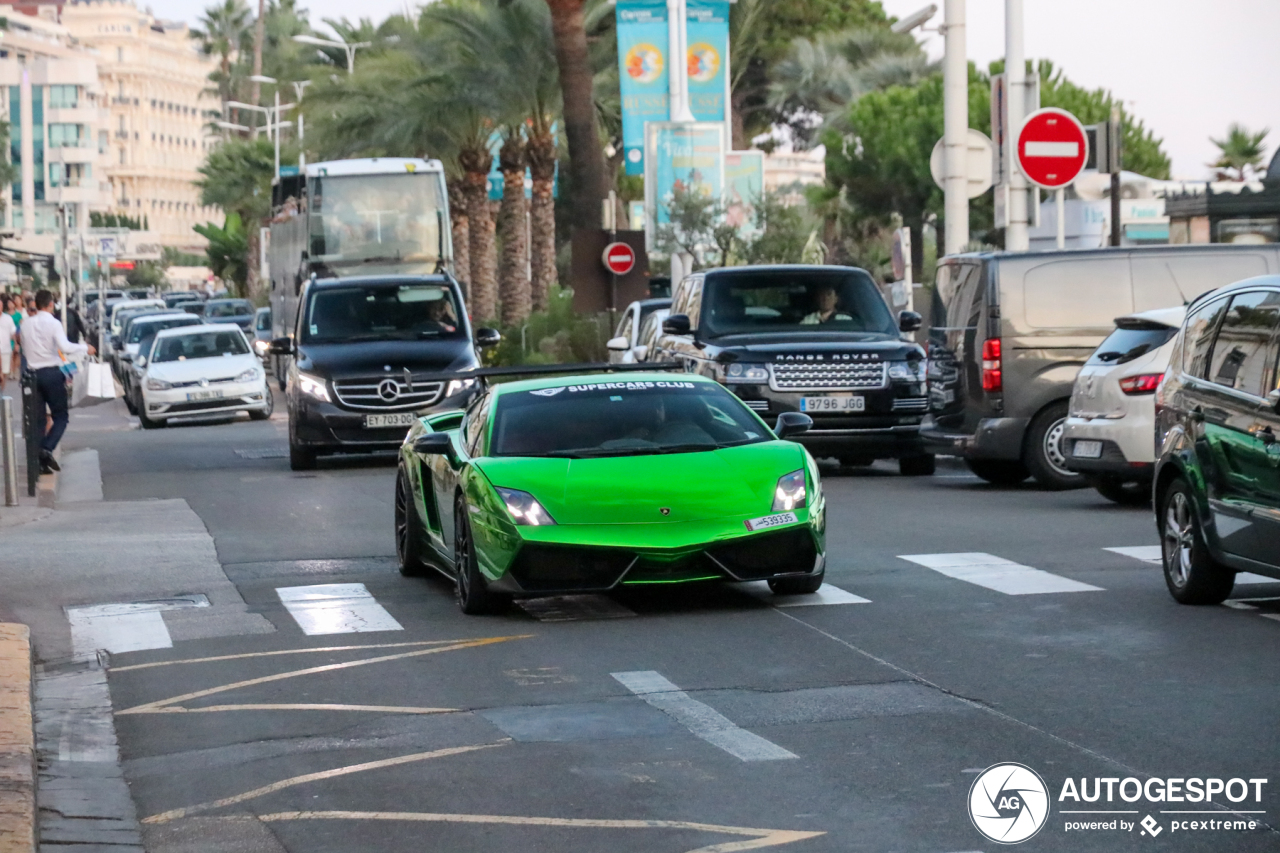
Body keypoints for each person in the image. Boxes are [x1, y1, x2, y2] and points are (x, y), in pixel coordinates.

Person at [24, 289, 95, 473]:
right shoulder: (53, 323)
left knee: (38, 419)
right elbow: (65, 347)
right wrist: (84, 348)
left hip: (31, 375)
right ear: (50, 304)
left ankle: (40, 462)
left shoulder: (26, 324)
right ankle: (46, 449)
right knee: (60, 416)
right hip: (52, 373)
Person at [0, 296, 16, 389]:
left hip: (6, 349)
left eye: (1, 306)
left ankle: (1, 393)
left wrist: (16, 344)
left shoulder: (8, 318)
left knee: (4, 373)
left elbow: (12, 332)